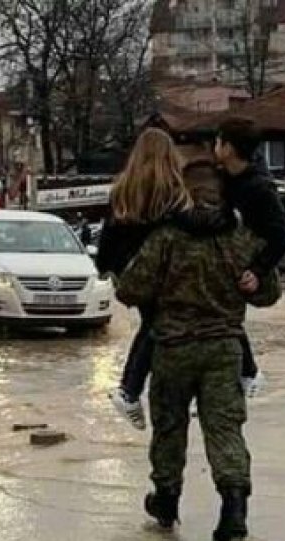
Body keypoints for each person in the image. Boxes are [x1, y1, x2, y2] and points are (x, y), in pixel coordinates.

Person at [114, 155, 281, 541]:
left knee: (170, 429)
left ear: (183, 193)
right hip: (223, 350)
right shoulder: (239, 238)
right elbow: (268, 293)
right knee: (225, 430)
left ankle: (167, 501)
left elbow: (129, 290)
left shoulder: (166, 237)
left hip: (172, 349)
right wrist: (249, 284)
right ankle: (234, 509)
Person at [96, 129, 194, 429]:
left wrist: (109, 269)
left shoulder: (123, 190)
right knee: (165, 325)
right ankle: (133, 389)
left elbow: (108, 238)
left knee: (153, 325)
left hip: (133, 275)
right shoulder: (175, 191)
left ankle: (134, 390)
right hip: (166, 272)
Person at [214, 117, 285, 394]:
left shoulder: (259, 188)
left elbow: (282, 234)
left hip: (244, 267)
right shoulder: (221, 178)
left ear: (229, 147)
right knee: (223, 320)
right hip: (224, 264)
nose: (214, 146)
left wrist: (258, 271)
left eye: (218, 140)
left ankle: (248, 374)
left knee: (227, 320)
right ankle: (241, 376)